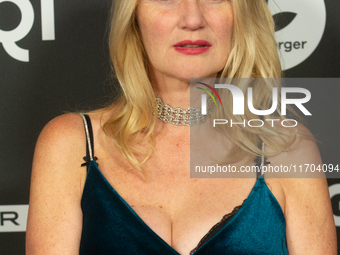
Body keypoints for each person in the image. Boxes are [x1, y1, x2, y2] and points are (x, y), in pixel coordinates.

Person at [26, 0, 337, 254]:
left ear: (242, 15)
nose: (192, 18)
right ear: (134, 17)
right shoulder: (70, 143)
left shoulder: (289, 148)